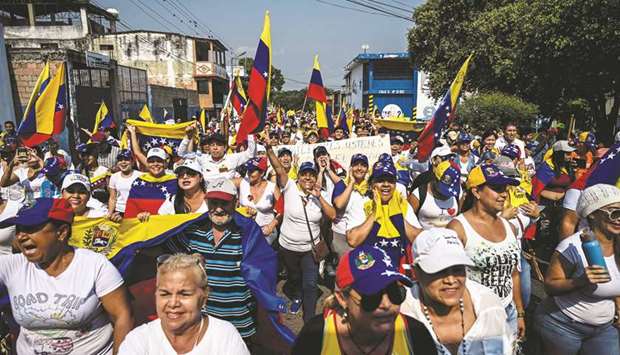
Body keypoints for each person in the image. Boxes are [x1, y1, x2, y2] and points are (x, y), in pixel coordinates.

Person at [0, 198, 133, 354]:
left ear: (62, 232)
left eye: (31, 228)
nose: (21, 237)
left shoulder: (95, 266)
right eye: (19, 229)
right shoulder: (12, 266)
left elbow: (123, 317)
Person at [166, 178, 286, 345]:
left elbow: (264, 272)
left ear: (236, 203)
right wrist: (145, 221)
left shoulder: (248, 235)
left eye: (225, 203)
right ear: (206, 202)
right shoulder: (192, 233)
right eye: (214, 202)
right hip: (203, 322)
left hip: (239, 324)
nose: (219, 209)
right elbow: (163, 250)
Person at [292, 244, 437, 355]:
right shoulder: (316, 336)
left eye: (395, 293)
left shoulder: (415, 333)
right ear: (342, 299)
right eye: (372, 296)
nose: (386, 304)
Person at [535, 184, 620, 355]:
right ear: (593, 214)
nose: (619, 219)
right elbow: (550, 286)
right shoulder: (571, 247)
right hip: (563, 326)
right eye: (614, 213)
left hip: (604, 328)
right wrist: (579, 281)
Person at [401, 228, 514, 355]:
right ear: (417, 272)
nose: (450, 280)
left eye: (457, 269)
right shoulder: (401, 310)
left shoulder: (489, 305)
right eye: (439, 270)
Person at [447, 164, 525, 342]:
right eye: (497, 189)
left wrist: (519, 313)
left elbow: (514, 274)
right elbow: (450, 279)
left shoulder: (510, 227)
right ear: (476, 192)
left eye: (505, 189)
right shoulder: (458, 228)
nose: (504, 194)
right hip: (476, 315)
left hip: (508, 312)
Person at [119, 253, 249, 354]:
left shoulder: (224, 336)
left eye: (184, 294)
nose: (173, 303)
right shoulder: (139, 340)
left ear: (204, 297)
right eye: (165, 294)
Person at [266, 141, 336, 322]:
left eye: (311, 175)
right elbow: (279, 169)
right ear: (298, 176)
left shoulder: (320, 195)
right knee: (294, 277)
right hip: (288, 248)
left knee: (311, 285)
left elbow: (332, 214)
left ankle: (310, 321)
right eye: (304, 174)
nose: (308, 178)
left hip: (309, 251)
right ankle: (296, 296)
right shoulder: (289, 188)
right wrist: (268, 149)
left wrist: (319, 197)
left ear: (315, 177)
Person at [347, 160, 422, 264]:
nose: (386, 184)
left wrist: (397, 214)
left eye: (390, 181)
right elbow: (353, 241)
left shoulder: (404, 205)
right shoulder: (361, 204)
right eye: (381, 180)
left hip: (399, 267)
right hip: (371, 266)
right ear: (372, 184)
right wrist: (375, 212)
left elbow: (419, 240)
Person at [177, 124, 256, 180]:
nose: (215, 148)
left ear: (225, 147)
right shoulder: (202, 158)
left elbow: (251, 153)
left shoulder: (233, 158)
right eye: (212, 145)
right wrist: (188, 137)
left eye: (218, 145)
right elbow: (181, 153)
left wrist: (250, 131)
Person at [332, 154, 370, 257]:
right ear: (350, 168)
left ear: (367, 169)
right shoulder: (341, 185)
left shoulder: (370, 188)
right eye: (356, 165)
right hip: (341, 236)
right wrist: (351, 183)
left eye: (363, 165)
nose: (359, 168)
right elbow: (339, 205)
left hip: (363, 234)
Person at [237, 156, 281, 245]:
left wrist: (271, 226)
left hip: (266, 232)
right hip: (245, 231)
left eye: (252, 171)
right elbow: (224, 183)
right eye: (248, 170)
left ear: (262, 173)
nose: (249, 173)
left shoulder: (272, 187)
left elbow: (282, 210)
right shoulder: (242, 182)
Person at [124, 147, 178, 218]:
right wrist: (139, 215)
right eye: (151, 161)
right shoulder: (139, 182)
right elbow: (131, 210)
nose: (155, 164)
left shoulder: (175, 182)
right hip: (145, 225)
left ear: (165, 163)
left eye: (159, 161)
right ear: (147, 163)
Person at [409, 161, 462, 229]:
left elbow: (459, 216)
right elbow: (408, 221)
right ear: (435, 178)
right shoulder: (418, 194)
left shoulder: (458, 193)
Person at [108, 149, 142, 216]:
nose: (123, 162)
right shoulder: (114, 177)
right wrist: (109, 214)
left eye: (126, 159)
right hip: (119, 212)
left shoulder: (141, 176)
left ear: (132, 162)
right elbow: (112, 198)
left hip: (137, 212)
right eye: (120, 160)